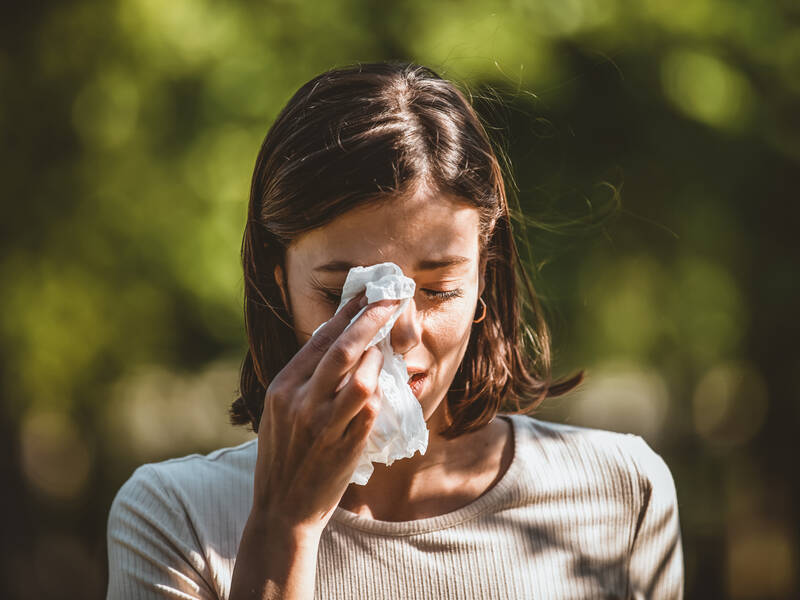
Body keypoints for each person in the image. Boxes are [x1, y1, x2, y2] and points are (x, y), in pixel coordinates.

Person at [106, 61, 683, 599]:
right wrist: (284, 528)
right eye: (345, 295)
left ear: (486, 276)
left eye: (437, 290)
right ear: (278, 282)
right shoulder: (177, 518)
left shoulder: (621, 492)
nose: (399, 332)